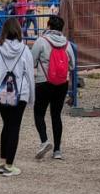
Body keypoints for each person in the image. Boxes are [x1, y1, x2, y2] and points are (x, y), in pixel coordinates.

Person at [0, 18, 34, 175]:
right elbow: (29, 75)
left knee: (6, 125)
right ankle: (9, 165)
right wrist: (31, 98)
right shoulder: (24, 50)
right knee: (14, 127)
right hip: (20, 92)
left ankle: (2, 161)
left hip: (0, 93)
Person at [29, 15, 76, 160]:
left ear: (48, 26)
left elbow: (32, 61)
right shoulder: (66, 43)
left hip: (44, 82)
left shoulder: (41, 41)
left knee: (39, 113)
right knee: (56, 115)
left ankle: (44, 141)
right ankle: (57, 150)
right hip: (61, 83)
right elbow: (72, 65)